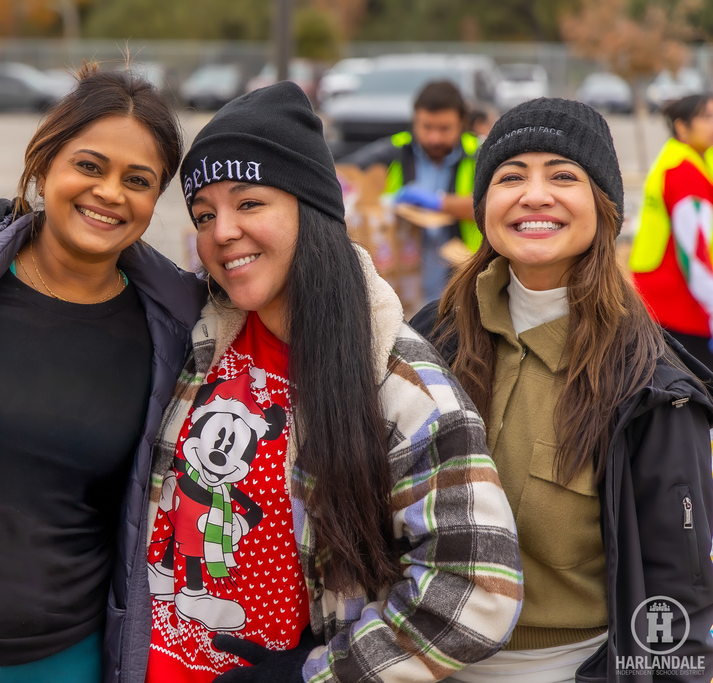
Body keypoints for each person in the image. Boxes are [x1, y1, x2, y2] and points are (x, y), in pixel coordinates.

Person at [135, 81, 523, 683]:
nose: (222, 232)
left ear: (311, 207)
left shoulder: (396, 381)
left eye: (249, 203)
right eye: (205, 213)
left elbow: (478, 589)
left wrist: (316, 676)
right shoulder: (196, 338)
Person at [0, 64, 206, 683]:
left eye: (138, 180)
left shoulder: (179, 327)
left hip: (65, 657)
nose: (109, 192)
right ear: (45, 163)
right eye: (90, 165)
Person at [411, 98, 713, 681]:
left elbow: (682, 599)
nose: (535, 195)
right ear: (484, 206)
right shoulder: (429, 337)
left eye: (563, 175)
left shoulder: (650, 384)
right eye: (511, 175)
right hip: (415, 662)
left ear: (603, 206)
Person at [344, 80, 481, 300]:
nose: (434, 137)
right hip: (399, 281)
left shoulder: (480, 154)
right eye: (426, 127)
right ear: (414, 120)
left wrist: (439, 203)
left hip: (463, 279)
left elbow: (492, 206)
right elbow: (344, 176)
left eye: (444, 129)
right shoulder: (394, 151)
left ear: (462, 124)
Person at [630, 94, 713, 370]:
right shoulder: (683, 171)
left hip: (666, 295)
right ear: (681, 127)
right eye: (706, 117)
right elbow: (694, 251)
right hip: (679, 301)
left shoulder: (685, 158)